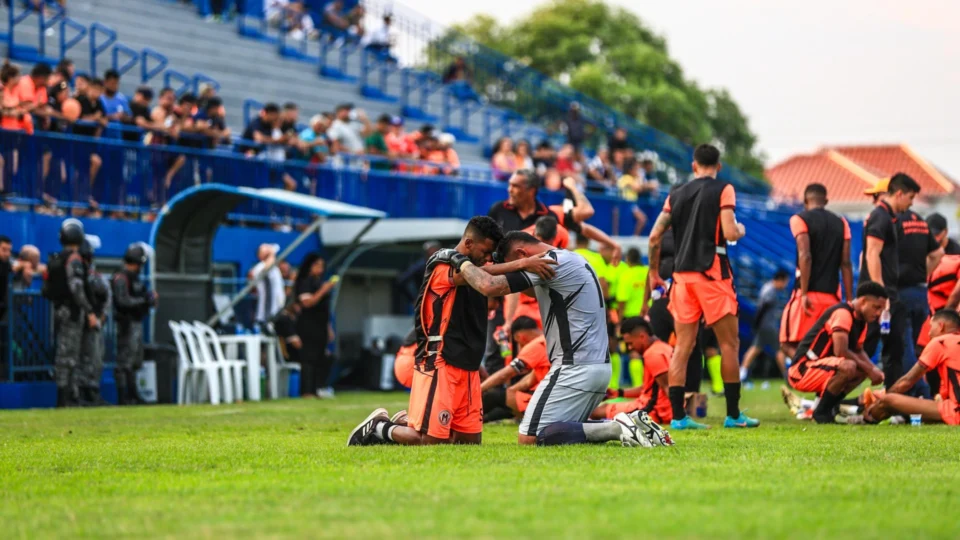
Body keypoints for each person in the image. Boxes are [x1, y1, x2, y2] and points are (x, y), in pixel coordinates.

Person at [347, 217, 561, 446]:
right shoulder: (443, 267)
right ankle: (378, 427)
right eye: (486, 251)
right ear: (468, 244)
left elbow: (488, 273)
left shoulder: (472, 266)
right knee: (430, 441)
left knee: (467, 443)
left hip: (467, 364)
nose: (489, 257)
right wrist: (522, 264)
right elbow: (485, 280)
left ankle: (406, 422)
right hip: (440, 361)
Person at [453, 231, 670, 447]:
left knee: (531, 437)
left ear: (522, 254)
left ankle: (617, 427)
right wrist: (515, 265)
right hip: (596, 368)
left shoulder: (551, 262)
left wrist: (458, 260)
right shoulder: (572, 259)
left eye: (515, 263)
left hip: (574, 367)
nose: (517, 269)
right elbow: (513, 287)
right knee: (564, 431)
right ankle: (631, 425)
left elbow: (489, 285)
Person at [648, 143, 757, 430]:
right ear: (718, 166)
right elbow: (731, 231)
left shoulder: (675, 194)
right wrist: (741, 230)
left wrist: (653, 273)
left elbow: (654, 236)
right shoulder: (724, 189)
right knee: (729, 345)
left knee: (682, 347)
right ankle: (733, 415)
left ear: (694, 165)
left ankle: (678, 417)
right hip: (713, 275)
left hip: (682, 279)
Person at [787, 282, 887, 423]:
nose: (878, 313)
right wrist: (869, 369)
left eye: (881, 309)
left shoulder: (861, 321)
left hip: (823, 367)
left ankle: (826, 408)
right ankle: (821, 413)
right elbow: (840, 350)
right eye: (876, 307)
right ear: (863, 301)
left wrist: (872, 369)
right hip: (802, 370)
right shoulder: (843, 313)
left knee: (861, 369)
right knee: (849, 366)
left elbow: (859, 350)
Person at [860, 173, 922, 388]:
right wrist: (880, 294)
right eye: (910, 198)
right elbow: (871, 254)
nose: (911, 203)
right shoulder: (881, 217)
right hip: (880, 297)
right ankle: (827, 399)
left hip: (887, 295)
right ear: (899, 193)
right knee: (865, 348)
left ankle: (893, 402)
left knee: (894, 349)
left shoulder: (889, 218)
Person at [779, 183, 854, 361]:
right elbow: (846, 263)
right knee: (824, 347)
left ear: (805, 201)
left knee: (787, 343)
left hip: (808, 297)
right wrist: (849, 300)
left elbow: (805, 256)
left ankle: (810, 374)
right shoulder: (842, 223)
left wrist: (804, 293)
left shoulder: (799, 219)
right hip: (832, 298)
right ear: (826, 200)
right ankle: (821, 381)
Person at [861, 309, 960, 425]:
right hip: (951, 406)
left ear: (941, 326)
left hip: (955, 411)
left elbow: (907, 381)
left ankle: (867, 417)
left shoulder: (940, 342)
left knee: (888, 400)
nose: (929, 333)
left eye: (931, 327)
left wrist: (882, 399)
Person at [44, 219, 96, 407]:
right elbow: (76, 288)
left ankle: (70, 397)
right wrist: (89, 311)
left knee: (66, 354)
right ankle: (64, 399)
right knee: (68, 356)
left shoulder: (56, 258)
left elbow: (46, 289)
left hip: (59, 310)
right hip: (72, 312)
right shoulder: (74, 259)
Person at [590, 317, 674, 430]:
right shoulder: (664, 348)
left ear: (642, 336)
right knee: (601, 410)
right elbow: (651, 389)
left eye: (630, 343)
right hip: (656, 407)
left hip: (653, 411)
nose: (630, 348)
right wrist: (618, 393)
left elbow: (668, 387)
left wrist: (677, 417)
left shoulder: (653, 354)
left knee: (595, 413)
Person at [896, 203, 943, 399]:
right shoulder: (920, 223)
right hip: (920, 293)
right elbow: (937, 254)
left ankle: (918, 393)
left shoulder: (891, 221)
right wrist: (923, 275)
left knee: (904, 346)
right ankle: (919, 392)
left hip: (900, 291)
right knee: (915, 346)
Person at [479, 316, 549, 422]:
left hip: (546, 403)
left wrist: (478, 390)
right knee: (506, 403)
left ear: (520, 337)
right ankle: (482, 420)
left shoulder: (535, 346)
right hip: (556, 399)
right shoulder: (549, 340)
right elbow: (528, 381)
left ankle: (465, 423)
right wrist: (510, 391)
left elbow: (505, 374)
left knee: (492, 395)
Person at [112, 243, 156, 405]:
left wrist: (149, 299)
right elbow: (123, 301)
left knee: (135, 360)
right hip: (126, 324)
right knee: (124, 362)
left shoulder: (135, 278)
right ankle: (124, 397)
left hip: (136, 322)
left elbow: (142, 295)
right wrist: (144, 301)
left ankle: (133, 394)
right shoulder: (121, 277)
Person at [294, 253, 338, 398]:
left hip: (321, 325)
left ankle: (317, 389)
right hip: (308, 325)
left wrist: (328, 328)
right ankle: (306, 391)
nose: (320, 268)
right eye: (316, 265)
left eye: (322, 265)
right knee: (308, 358)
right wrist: (323, 290)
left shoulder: (318, 282)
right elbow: (307, 302)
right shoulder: (305, 282)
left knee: (320, 357)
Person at [740, 270, 790, 381]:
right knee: (778, 350)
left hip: (764, 326)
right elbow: (762, 308)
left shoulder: (768, 288)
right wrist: (756, 323)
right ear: (780, 280)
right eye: (785, 282)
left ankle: (742, 372)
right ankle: (787, 375)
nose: (785, 285)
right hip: (768, 326)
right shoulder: (770, 290)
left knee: (755, 349)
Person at [77, 238, 110, 406]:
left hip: (94, 322)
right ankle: (80, 394)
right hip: (77, 322)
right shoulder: (76, 274)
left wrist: (102, 315)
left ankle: (92, 391)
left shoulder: (95, 277)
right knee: (80, 358)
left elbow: (106, 296)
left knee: (96, 357)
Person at [250, 244, 286, 328]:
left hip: (278, 310)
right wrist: (272, 253)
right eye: (265, 249)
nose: (269, 250)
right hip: (266, 315)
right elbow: (266, 268)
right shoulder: (259, 267)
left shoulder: (274, 268)